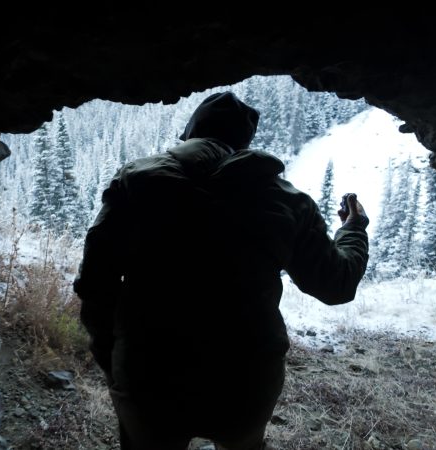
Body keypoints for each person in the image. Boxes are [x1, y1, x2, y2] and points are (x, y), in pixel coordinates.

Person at [73, 91, 369, 450]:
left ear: (190, 133)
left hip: (148, 371)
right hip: (246, 379)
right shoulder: (288, 201)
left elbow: (96, 282)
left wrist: (114, 357)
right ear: (244, 144)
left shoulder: (136, 182)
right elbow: (336, 285)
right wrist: (353, 229)